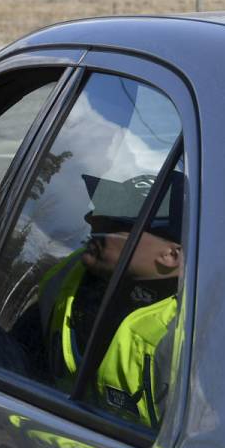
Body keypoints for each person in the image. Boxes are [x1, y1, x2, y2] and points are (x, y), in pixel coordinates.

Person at [40, 172, 183, 428]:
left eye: (117, 223)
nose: (91, 219)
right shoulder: (62, 278)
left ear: (171, 256)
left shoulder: (193, 335)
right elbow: (20, 361)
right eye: (101, 209)